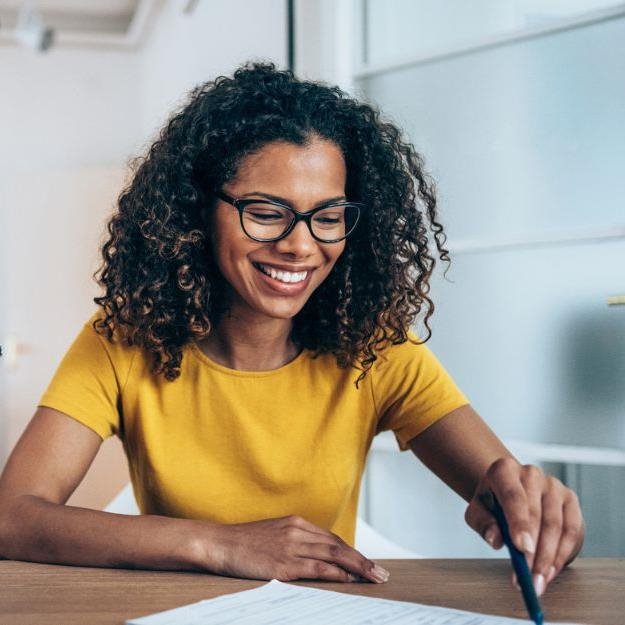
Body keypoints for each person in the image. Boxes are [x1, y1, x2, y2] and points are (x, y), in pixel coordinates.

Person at [0, 62, 583, 594]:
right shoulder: (125, 339)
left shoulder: (376, 348)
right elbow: (11, 517)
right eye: (266, 212)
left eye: (328, 217)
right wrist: (220, 543)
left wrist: (538, 513)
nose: (301, 245)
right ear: (199, 210)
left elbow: (504, 491)